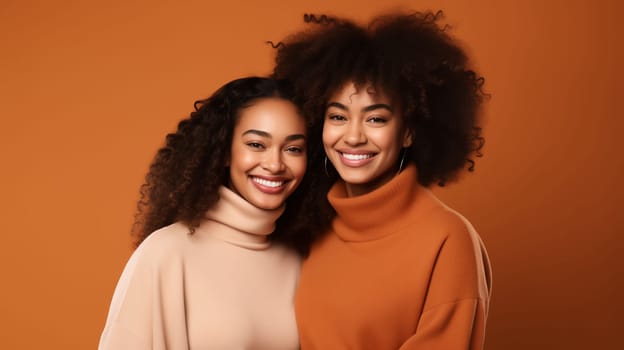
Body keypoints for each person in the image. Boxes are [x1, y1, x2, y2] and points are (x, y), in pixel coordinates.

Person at [271, 11, 493, 349]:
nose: (353, 136)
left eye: (375, 118)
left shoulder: (447, 239)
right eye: (338, 116)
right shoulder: (310, 226)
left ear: (407, 132)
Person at [98, 76, 325, 349]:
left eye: (293, 149)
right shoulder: (166, 253)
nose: (275, 164)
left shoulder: (299, 259)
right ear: (225, 152)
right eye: (256, 145)